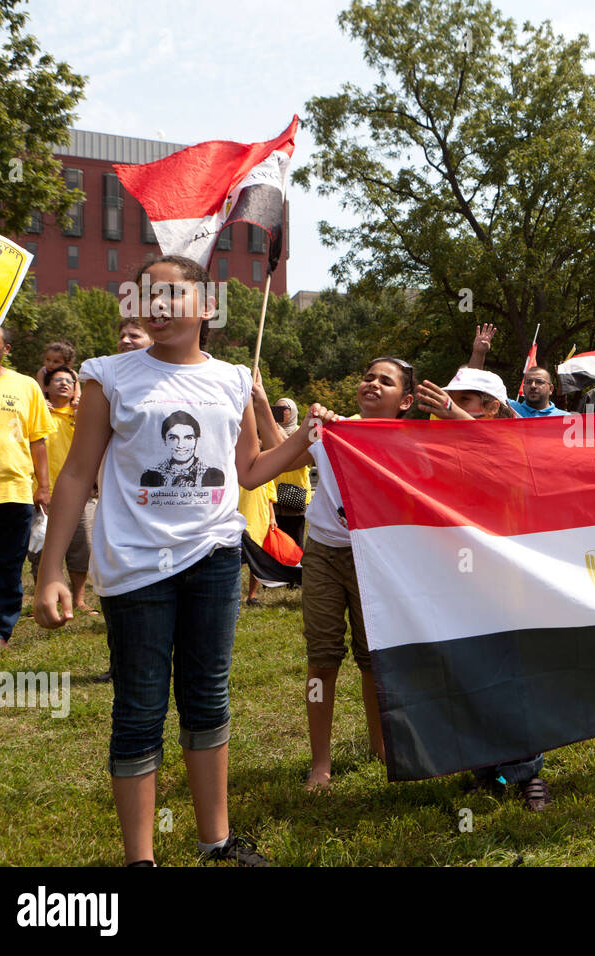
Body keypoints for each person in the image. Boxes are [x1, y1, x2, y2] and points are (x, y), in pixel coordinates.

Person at [34, 254, 288, 867]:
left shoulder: (232, 379)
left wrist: (310, 437)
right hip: (136, 569)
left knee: (207, 697)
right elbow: (75, 475)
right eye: (149, 297)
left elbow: (250, 470)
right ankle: (139, 861)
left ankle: (216, 843)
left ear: (206, 307)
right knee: (140, 707)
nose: (161, 307)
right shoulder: (110, 377)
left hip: (214, 560)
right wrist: (48, 572)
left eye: (175, 297)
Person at [246, 358, 415, 792]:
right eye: (367, 376)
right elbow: (272, 462)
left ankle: (381, 745)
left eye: (385, 381)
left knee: (373, 658)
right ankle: (320, 763)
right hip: (322, 555)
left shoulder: (411, 443)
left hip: (374, 558)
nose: (372, 384)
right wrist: (262, 402)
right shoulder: (330, 429)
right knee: (322, 660)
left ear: (406, 401)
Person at [416, 368, 554, 808]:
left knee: (514, 672)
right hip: (455, 577)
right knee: (469, 670)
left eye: (466, 400)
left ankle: (528, 772)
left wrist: (454, 415)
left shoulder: (516, 442)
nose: (452, 407)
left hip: (508, 578)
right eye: (451, 399)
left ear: (492, 407)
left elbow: (503, 465)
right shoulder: (440, 448)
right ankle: (485, 769)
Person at [0, 323, 54, 651]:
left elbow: (38, 440)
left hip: (13, 492)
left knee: (8, 567)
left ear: (6, 349)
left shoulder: (26, 385)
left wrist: (43, 486)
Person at [28, 365, 98, 614]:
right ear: (46, 386)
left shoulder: (81, 414)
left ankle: (78, 599)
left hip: (80, 494)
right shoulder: (39, 413)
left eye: (69, 381)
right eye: (57, 380)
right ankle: (44, 596)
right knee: (40, 549)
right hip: (42, 493)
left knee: (83, 547)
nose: (63, 383)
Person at [138, 410, 226, 487]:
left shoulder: (213, 475)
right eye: (173, 438)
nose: (180, 445)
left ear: (196, 440)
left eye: (188, 438)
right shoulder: (151, 476)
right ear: (165, 440)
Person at [271, 398, 312, 547]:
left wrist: (278, 431)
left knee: (295, 541)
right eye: (277, 408)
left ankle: (295, 569)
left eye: (284, 409)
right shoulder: (269, 432)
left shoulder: (301, 431)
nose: (280, 412)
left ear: (293, 411)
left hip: (295, 492)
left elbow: (293, 451)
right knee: (276, 542)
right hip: (274, 494)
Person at [34, 340, 81, 407]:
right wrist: (43, 400)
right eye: (48, 359)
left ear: (66, 363)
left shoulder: (71, 374)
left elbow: (77, 391)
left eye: (56, 362)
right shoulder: (42, 372)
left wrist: (76, 399)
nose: (50, 364)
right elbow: (40, 390)